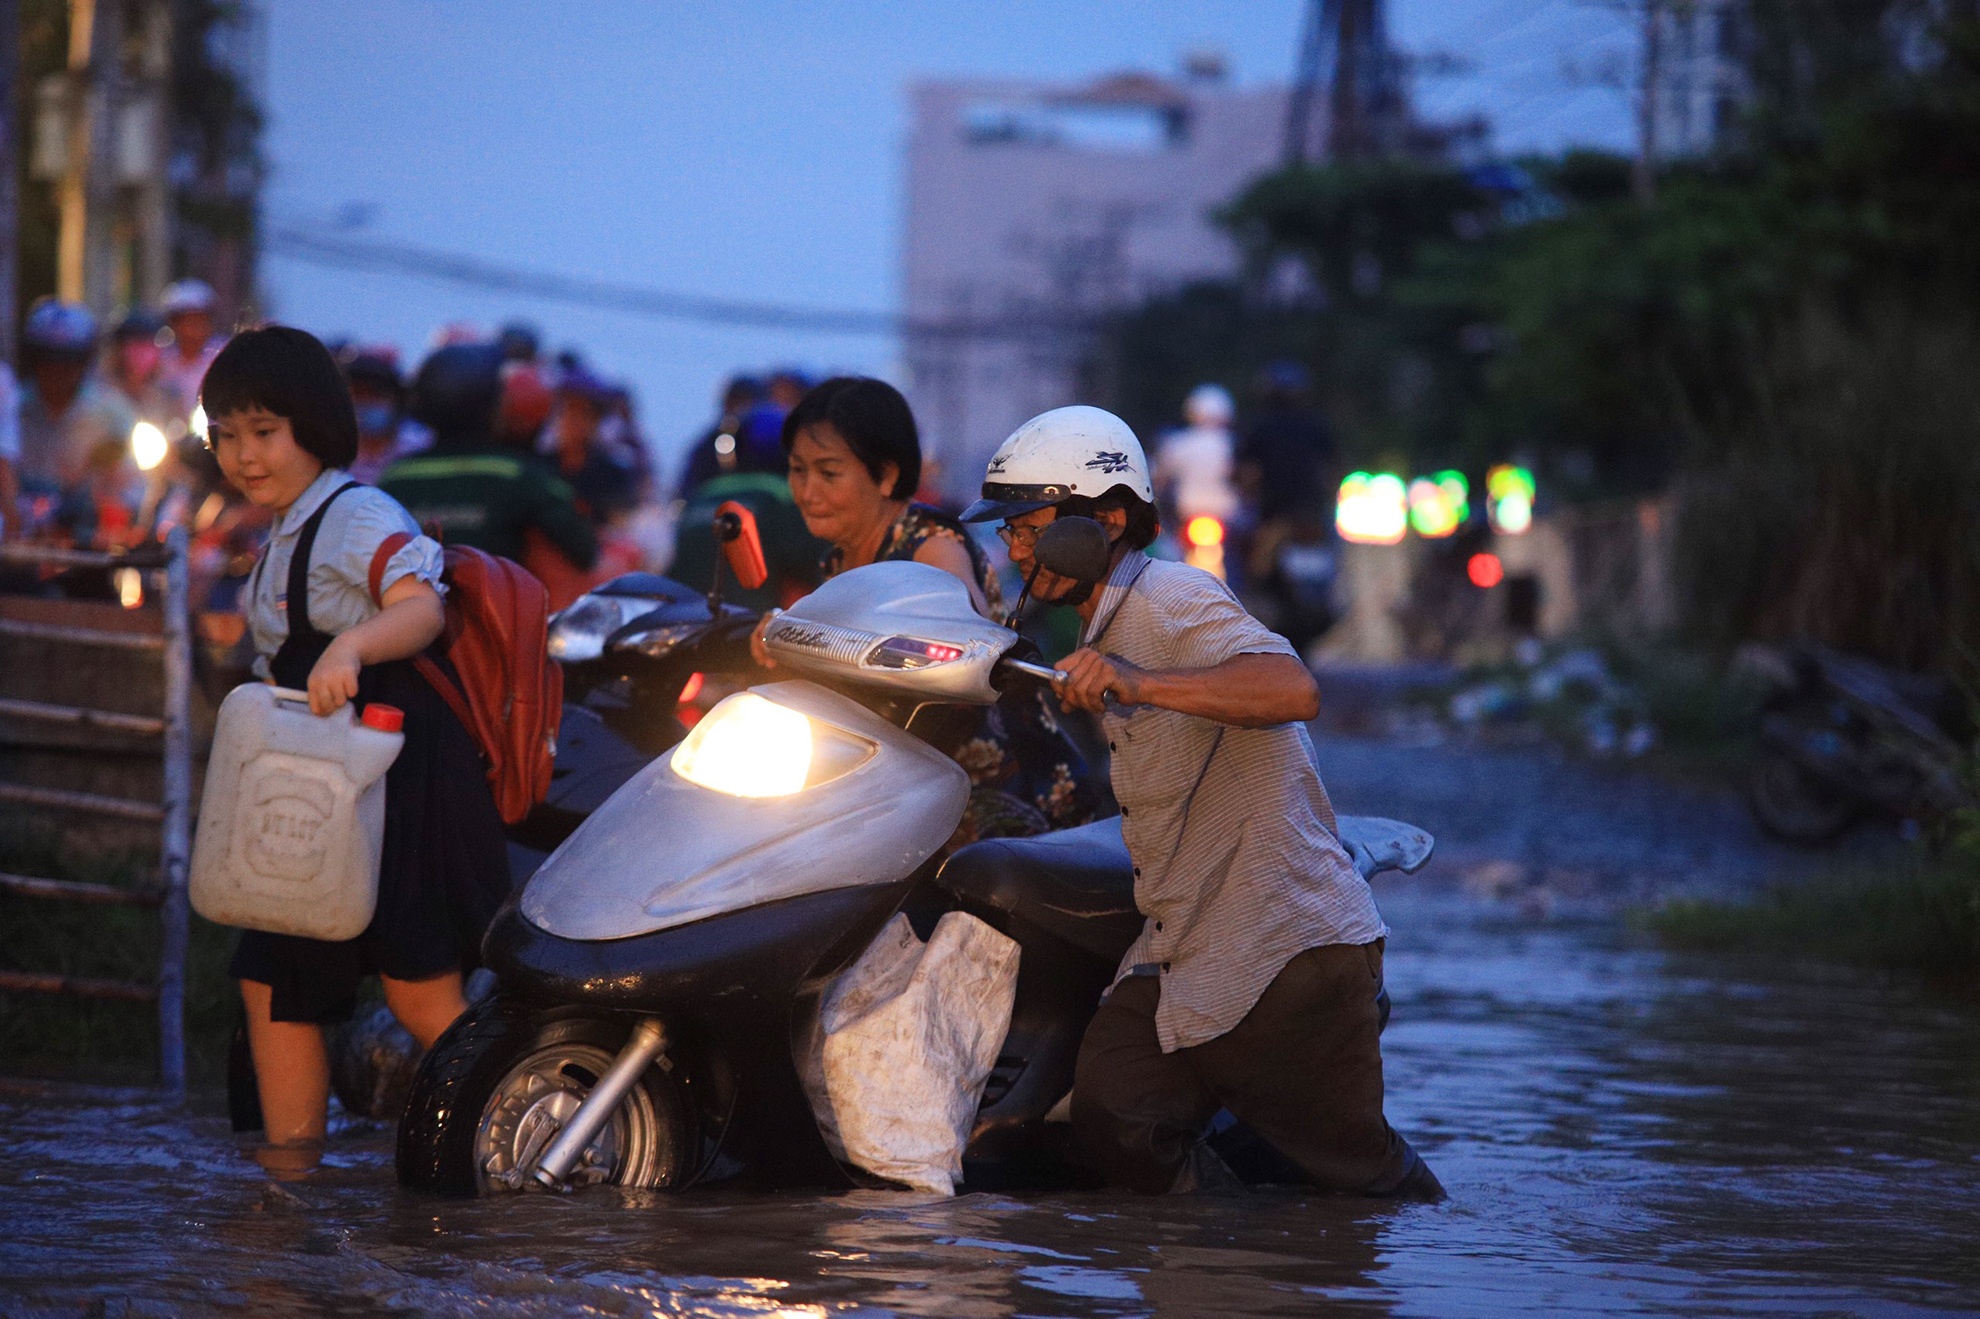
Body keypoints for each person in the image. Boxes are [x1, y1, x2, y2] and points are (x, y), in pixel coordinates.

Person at [960, 404, 1442, 1200]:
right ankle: (1229, 1265)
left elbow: (1291, 687)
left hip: (1281, 942)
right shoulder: (1096, 632)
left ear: (1108, 521)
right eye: (1008, 531)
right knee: (1118, 1106)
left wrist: (1141, 683)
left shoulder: (1169, 600)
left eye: (1030, 526)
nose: (1015, 547)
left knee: (1364, 1180)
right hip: (1185, 942)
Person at [201, 325, 509, 1164]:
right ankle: (290, 1163)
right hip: (321, 791)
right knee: (270, 973)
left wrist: (350, 647)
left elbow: (422, 607)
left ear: (313, 424)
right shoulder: (282, 530)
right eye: (225, 434)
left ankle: (530, 1137)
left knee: (419, 990)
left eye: (263, 432)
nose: (243, 454)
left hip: (391, 782)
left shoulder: (353, 513)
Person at [753, 376, 1100, 842]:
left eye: (828, 473)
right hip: (891, 792)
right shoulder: (837, 559)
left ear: (888, 475)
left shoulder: (933, 545)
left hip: (989, 804)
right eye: (798, 470)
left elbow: (965, 642)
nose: (807, 490)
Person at [378, 342, 597, 570]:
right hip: (493, 604)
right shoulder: (516, 475)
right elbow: (585, 550)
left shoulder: (393, 478)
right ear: (491, 405)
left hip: (407, 603)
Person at [15, 299, 136, 502]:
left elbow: (133, 490)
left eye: (68, 360)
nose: (57, 371)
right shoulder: (12, 408)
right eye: (47, 359)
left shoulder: (112, 412)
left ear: (85, 361)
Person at [342, 351, 427, 485]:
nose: (366, 401)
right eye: (357, 394)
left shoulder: (420, 446)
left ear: (397, 400)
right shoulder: (332, 457)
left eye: (375, 394)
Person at [159, 278, 226, 421]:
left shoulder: (223, 357)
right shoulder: (161, 361)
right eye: (187, 322)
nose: (194, 330)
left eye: (200, 321)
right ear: (173, 324)